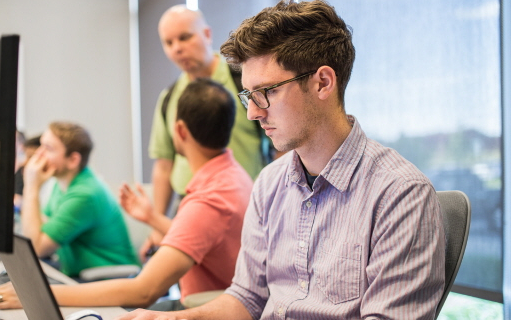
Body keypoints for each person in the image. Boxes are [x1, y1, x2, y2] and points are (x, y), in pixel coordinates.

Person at [117, 1, 446, 319]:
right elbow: (246, 300)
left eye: (268, 92)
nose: (252, 113)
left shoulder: (400, 194)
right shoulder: (270, 184)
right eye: (247, 95)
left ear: (322, 83)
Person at [0, 79, 252, 311]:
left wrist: (36, 294)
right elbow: (205, 234)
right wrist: (152, 218)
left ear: (179, 131)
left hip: (202, 309)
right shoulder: (232, 176)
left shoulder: (209, 199)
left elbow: (144, 292)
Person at [144, 5, 270, 260]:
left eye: (184, 37)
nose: (177, 48)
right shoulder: (169, 98)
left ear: (207, 34)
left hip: (242, 207)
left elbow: (281, 147)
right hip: (188, 208)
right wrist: (156, 225)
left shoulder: (243, 82)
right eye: (168, 42)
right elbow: (163, 166)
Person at [16, 122, 138, 278]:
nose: (39, 154)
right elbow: (40, 226)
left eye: (48, 148)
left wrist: (31, 186)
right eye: (41, 146)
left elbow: (36, 248)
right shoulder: (61, 183)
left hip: (105, 281)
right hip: (78, 275)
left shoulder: (85, 195)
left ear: (73, 160)